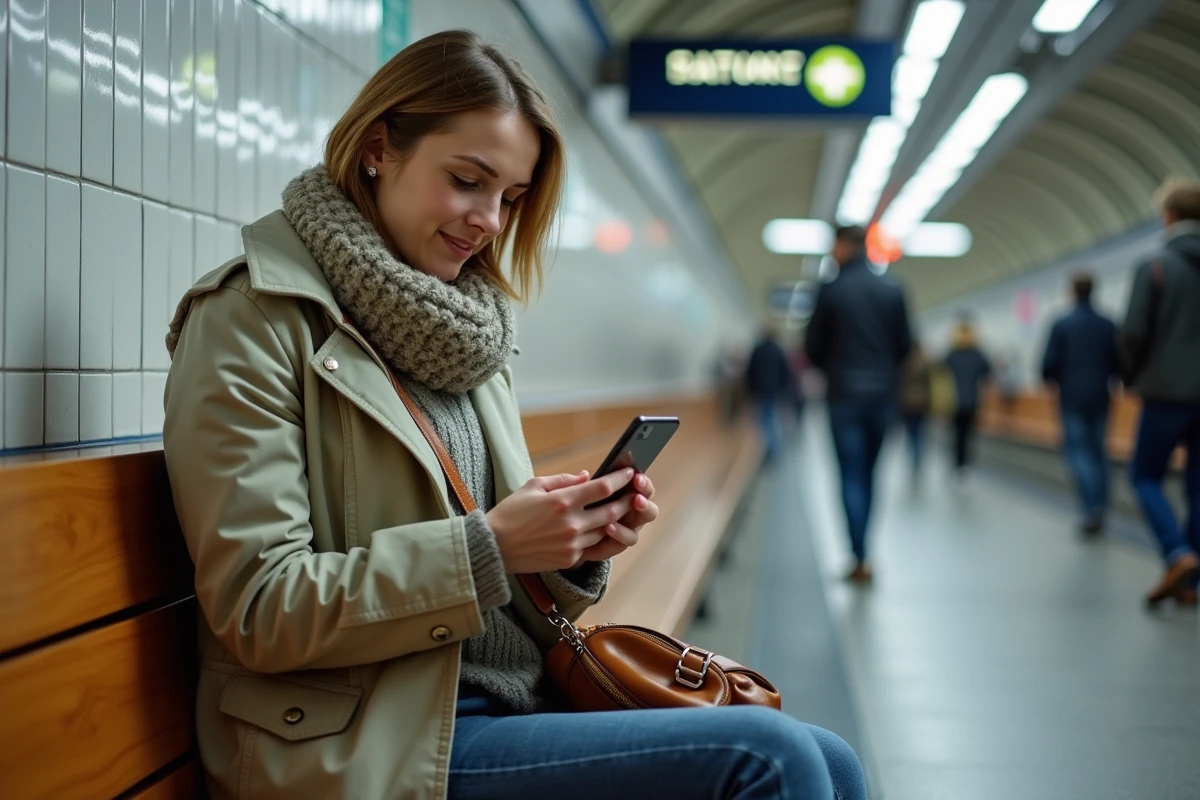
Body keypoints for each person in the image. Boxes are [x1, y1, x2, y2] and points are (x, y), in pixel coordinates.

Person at [161, 30, 864, 799]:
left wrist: (568, 547)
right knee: (769, 759)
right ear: (376, 149)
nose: (491, 220)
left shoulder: (464, 332)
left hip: (497, 703)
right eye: (468, 180)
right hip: (364, 739)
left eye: (511, 198)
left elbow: (497, 571)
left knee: (828, 755)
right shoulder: (252, 318)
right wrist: (489, 549)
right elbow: (262, 607)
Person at [805, 226, 913, 582]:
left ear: (842, 245)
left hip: (843, 397)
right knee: (869, 474)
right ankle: (866, 551)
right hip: (882, 397)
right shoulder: (893, 289)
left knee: (850, 474)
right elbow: (906, 346)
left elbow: (812, 348)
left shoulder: (831, 290)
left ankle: (859, 554)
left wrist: (834, 369)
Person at [1120, 176, 1200, 608]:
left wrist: (1131, 377)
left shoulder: (1154, 266)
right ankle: (1190, 582)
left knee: (1145, 475)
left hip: (1166, 391)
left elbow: (1133, 332)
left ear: (1167, 217)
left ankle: (1177, 553)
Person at [1041, 271, 1122, 536]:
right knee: (1099, 453)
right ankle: (1100, 508)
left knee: (1078, 452)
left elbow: (1048, 365)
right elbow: (1119, 363)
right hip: (1101, 395)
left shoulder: (1062, 324)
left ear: (1072, 291)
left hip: (1071, 397)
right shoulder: (1107, 324)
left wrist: (1055, 380)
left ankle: (1090, 509)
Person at [943, 319, 992, 476]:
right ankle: (966, 466)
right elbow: (987, 371)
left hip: (954, 401)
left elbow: (941, 371)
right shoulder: (977, 353)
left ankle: (958, 465)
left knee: (957, 435)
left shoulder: (952, 354)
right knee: (969, 435)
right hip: (972, 401)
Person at [745, 329, 794, 461]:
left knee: (763, 418)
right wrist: (784, 390)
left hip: (760, 390)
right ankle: (773, 447)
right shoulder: (778, 351)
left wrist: (751, 390)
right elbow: (785, 372)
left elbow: (750, 371)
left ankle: (769, 448)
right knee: (771, 417)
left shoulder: (757, 350)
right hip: (774, 390)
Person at [898, 345, 933, 472]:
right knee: (920, 431)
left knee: (911, 431)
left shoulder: (904, 363)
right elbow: (930, 383)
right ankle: (918, 455)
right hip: (921, 402)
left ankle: (913, 454)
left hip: (907, 402)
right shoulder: (925, 363)